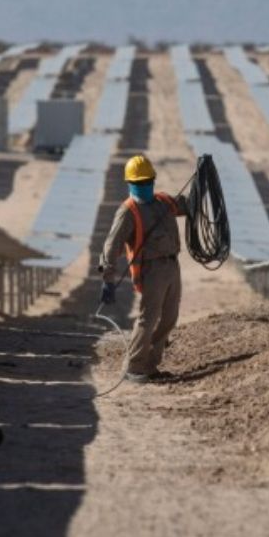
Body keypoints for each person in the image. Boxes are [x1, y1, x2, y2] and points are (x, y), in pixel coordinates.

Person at [99, 154, 189, 384]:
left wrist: (203, 182)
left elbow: (188, 205)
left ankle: (150, 366)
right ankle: (135, 367)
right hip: (152, 270)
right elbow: (112, 245)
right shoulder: (128, 211)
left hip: (172, 265)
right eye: (139, 183)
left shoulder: (163, 202)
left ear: (153, 180)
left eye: (147, 181)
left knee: (169, 317)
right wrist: (108, 279)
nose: (144, 186)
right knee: (148, 318)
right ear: (130, 184)